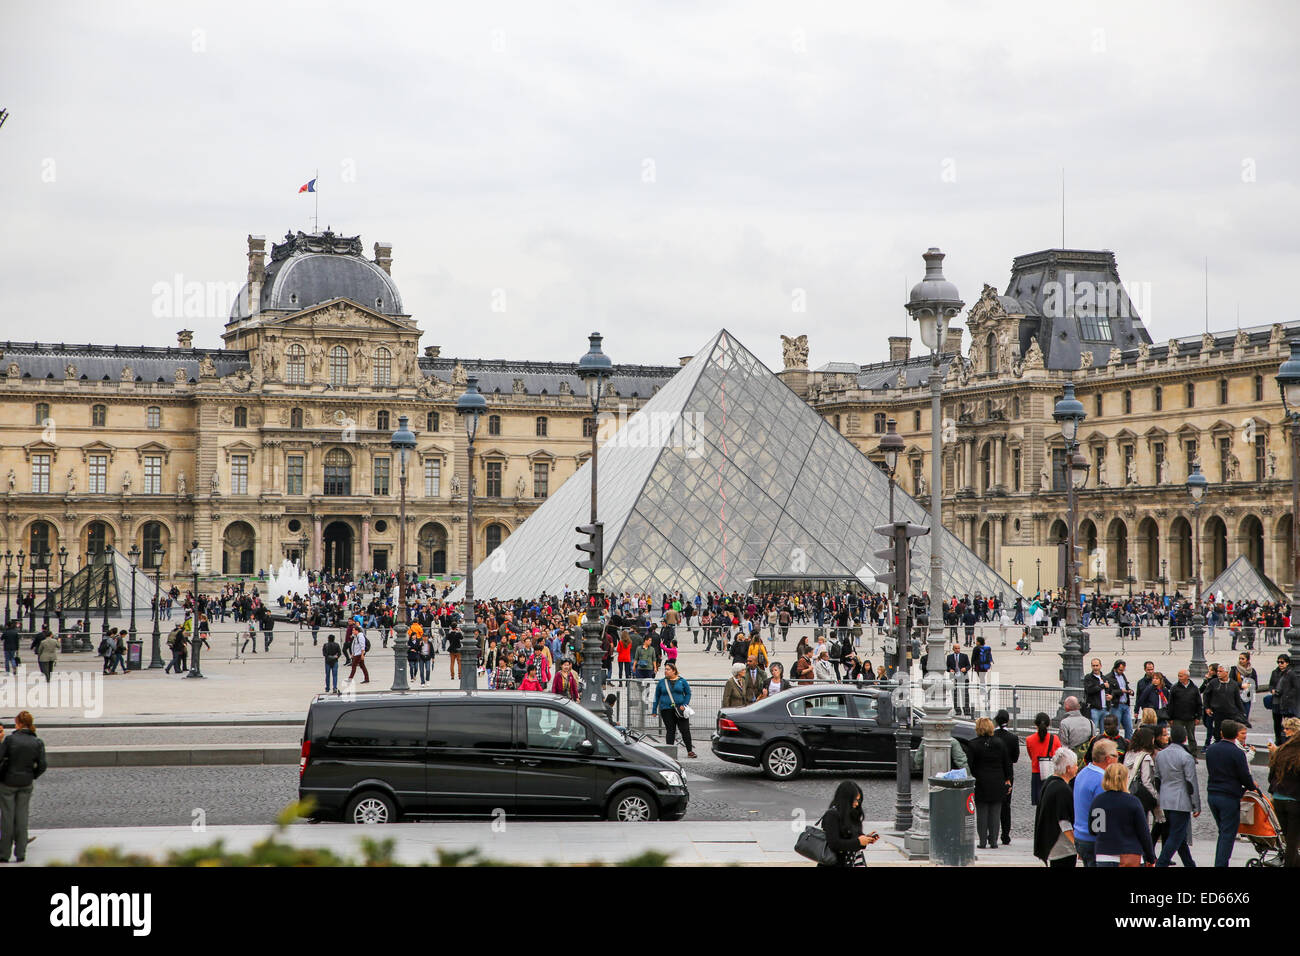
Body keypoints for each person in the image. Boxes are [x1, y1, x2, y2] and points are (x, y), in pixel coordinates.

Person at [1204, 719, 1261, 867]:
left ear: (1221, 733)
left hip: (1212, 794)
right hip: (1229, 796)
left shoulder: (1211, 750)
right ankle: (1221, 864)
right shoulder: (1237, 753)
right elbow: (1244, 775)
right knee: (1227, 834)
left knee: (1223, 831)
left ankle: (1220, 862)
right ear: (1236, 735)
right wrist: (1253, 788)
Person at [0, 711, 46, 863]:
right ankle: (21, 852)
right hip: (26, 782)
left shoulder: (10, 740)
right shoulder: (37, 742)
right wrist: (32, 775)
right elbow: (42, 765)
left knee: (7, 817)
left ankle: (4, 853)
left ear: (18, 723)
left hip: (8, 782)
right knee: (22, 817)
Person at [1089, 763, 1156, 866]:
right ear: (1125, 779)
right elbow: (1143, 833)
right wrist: (1150, 857)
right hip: (1130, 854)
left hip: (1104, 855)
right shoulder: (1133, 802)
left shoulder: (1097, 801)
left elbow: (1094, 830)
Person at [1154, 722, 1200, 867]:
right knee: (1177, 835)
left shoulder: (1161, 755)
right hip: (1181, 800)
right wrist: (1196, 805)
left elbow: (1157, 777)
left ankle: (1189, 864)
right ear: (1185, 739)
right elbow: (1191, 783)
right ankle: (1161, 863)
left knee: (1179, 837)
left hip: (1165, 798)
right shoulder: (1186, 757)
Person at [967, 717, 1012, 850]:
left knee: (982, 813)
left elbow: (970, 765)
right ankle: (993, 841)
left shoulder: (973, 744)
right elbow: (1007, 763)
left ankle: (982, 841)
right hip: (998, 781)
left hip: (980, 781)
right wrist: (1008, 779)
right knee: (995, 813)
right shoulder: (1000, 743)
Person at [1073, 738, 1119, 866]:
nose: (1118, 759)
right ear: (1108, 759)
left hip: (1080, 836)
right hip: (1094, 841)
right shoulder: (1102, 781)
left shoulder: (1083, 773)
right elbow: (1104, 815)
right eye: (1116, 755)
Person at [816, 780, 880, 867]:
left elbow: (853, 840)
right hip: (835, 863)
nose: (857, 804)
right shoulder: (832, 815)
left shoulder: (851, 814)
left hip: (852, 861)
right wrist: (858, 842)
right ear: (846, 800)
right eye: (855, 800)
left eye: (858, 800)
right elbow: (834, 844)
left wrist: (866, 839)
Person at [1033, 747, 1079, 867]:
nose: (1077, 768)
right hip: (1063, 848)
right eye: (1075, 765)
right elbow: (1064, 822)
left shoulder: (1049, 782)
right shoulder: (1062, 789)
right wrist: (1078, 844)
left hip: (1053, 845)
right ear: (1068, 769)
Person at [1266, 716, 1300, 867]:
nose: (1285, 731)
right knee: (1293, 840)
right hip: (1294, 800)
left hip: (1279, 798)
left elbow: (1271, 775)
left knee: (1288, 838)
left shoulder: (1281, 751)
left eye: (1287, 729)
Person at [1124, 726, 1164, 848]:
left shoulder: (1129, 753)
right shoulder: (1145, 758)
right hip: (1140, 796)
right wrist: (1156, 797)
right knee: (1142, 826)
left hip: (1128, 793)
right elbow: (1146, 782)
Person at [652, 661, 696, 758]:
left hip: (680, 710)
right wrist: (654, 710)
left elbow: (688, 693)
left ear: (674, 671)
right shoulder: (661, 682)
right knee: (670, 730)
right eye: (665, 669)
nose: (665, 671)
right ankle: (670, 753)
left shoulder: (682, 681)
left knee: (685, 730)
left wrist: (684, 704)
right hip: (666, 709)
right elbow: (656, 696)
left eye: (668, 669)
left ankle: (690, 751)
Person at [993, 709, 1019, 844]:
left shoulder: (992, 736)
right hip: (1007, 774)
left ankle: (992, 834)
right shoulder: (1013, 738)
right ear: (1008, 721)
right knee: (1006, 805)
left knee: (992, 804)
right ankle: (1005, 835)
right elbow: (1015, 759)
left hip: (994, 773)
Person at [1024, 711, 1062, 805]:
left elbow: (1031, 756)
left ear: (1035, 724)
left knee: (1039, 802)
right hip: (1051, 772)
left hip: (1037, 772)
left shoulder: (1029, 740)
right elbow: (1059, 755)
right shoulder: (1055, 739)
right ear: (1049, 724)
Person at [1167, 668, 1203, 757]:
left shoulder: (1194, 688)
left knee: (1191, 737)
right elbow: (1170, 704)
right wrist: (1170, 717)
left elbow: (1199, 703)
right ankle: (1174, 754)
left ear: (1187, 676)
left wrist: (1198, 716)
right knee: (1175, 736)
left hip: (1190, 717)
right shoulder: (1174, 688)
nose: (1179, 678)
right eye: (1178, 676)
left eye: (1181, 676)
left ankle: (1193, 754)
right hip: (1177, 717)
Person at [1267, 654, 1300, 745]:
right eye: (1278, 662)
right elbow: (1271, 684)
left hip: (1286, 702)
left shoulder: (1291, 674)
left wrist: (1287, 695)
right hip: (1276, 701)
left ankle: (1285, 739)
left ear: (1287, 663)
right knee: (1276, 722)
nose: (1280, 664)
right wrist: (1272, 690)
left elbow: (1296, 688)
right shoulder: (1275, 672)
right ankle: (1278, 739)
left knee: (1286, 723)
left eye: (1282, 662)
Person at [946, 643, 971, 716]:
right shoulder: (949, 657)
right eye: (956, 648)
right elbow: (947, 667)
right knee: (955, 695)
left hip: (963, 677)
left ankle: (966, 710)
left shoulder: (964, 656)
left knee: (965, 694)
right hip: (954, 678)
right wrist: (950, 670)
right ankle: (957, 710)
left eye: (959, 648)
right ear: (953, 649)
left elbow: (969, 666)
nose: (958, 650)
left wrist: (965, 668)